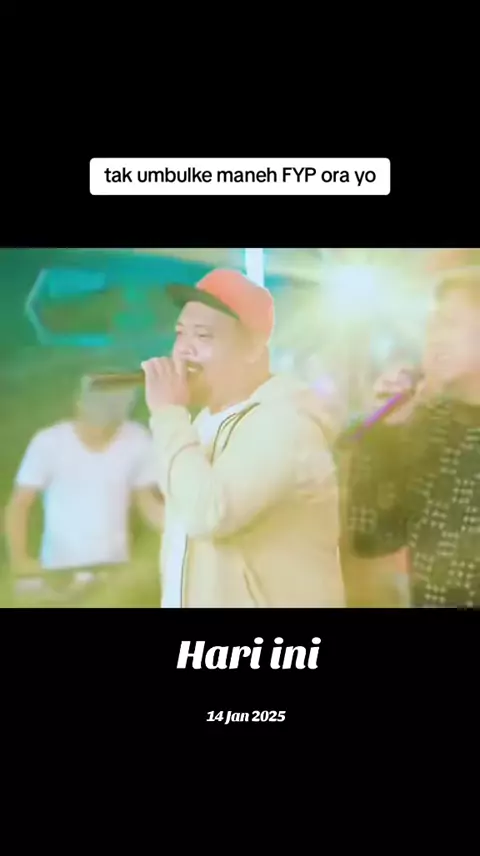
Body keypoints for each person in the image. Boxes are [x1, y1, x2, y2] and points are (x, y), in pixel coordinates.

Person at [142, 268, 345, 608]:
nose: (183, 350)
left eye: (202, 336)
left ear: (252, 347)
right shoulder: (204, 423)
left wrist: (167, 414)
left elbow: (209, 514)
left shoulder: (284, 422)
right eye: (180, 334)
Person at [346, 270, 480, 607]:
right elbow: (372, 537)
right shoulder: (428, 424)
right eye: (432, 325)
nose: (434, 338)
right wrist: (385, 434)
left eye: (450, 324)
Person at [5, 381, 163, 594]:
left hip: (114, 575)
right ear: (79, 403)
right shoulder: (48, 442)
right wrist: (20, 560)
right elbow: (20, 505)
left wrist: (183, 532)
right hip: (58, 575)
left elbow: (148, 503)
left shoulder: (138, 439)